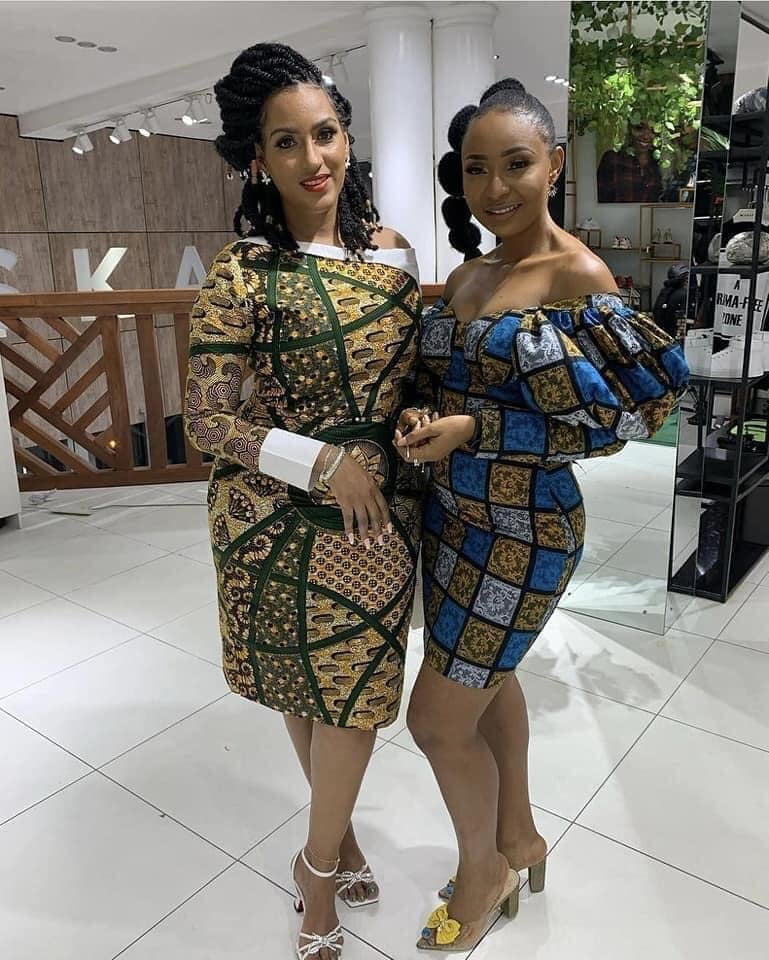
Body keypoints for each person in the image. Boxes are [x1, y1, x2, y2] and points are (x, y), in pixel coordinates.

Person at [395, 79, 688, 952]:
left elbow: (617, 424)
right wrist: (423, 415)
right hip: (451, 520)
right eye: (475, 169)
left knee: (434, 721)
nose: (494, 189)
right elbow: (442, 383)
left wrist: (476, 430)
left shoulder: (577, 277)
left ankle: (481, 872)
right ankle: (518, 837)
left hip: (524, 535)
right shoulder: (469, 274)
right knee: (487, 685)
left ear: (553, 165)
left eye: (515, 164)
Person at [183, 43, 423, 960]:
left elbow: (405, 381)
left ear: (347, 138)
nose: (312, 158)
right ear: (258, 159)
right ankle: (336, 854)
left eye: (324, 134)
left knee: (354, 697)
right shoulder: (242, 270)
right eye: (287, 142)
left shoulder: (395, 256)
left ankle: (310, 864)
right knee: (302, 682)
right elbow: (206, 419)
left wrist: (416, 419)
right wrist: (320, 462)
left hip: (376, 519)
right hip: (273, 511)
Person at [596, 120, 663, 202]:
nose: (646, 136)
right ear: (629, 129)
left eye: (652, 130)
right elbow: (599, 200)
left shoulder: (656, 164)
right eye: (639, 128)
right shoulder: (613, 159)